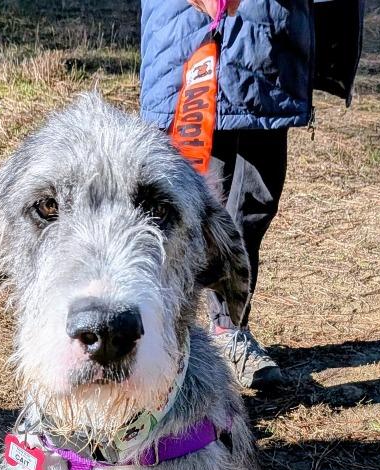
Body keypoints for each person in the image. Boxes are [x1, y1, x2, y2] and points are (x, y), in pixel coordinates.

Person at [140, 0, 364, 392]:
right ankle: (156, 331)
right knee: (175, 210)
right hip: (189, 47)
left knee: (252, 206)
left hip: (268, 52)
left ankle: (227, 327)